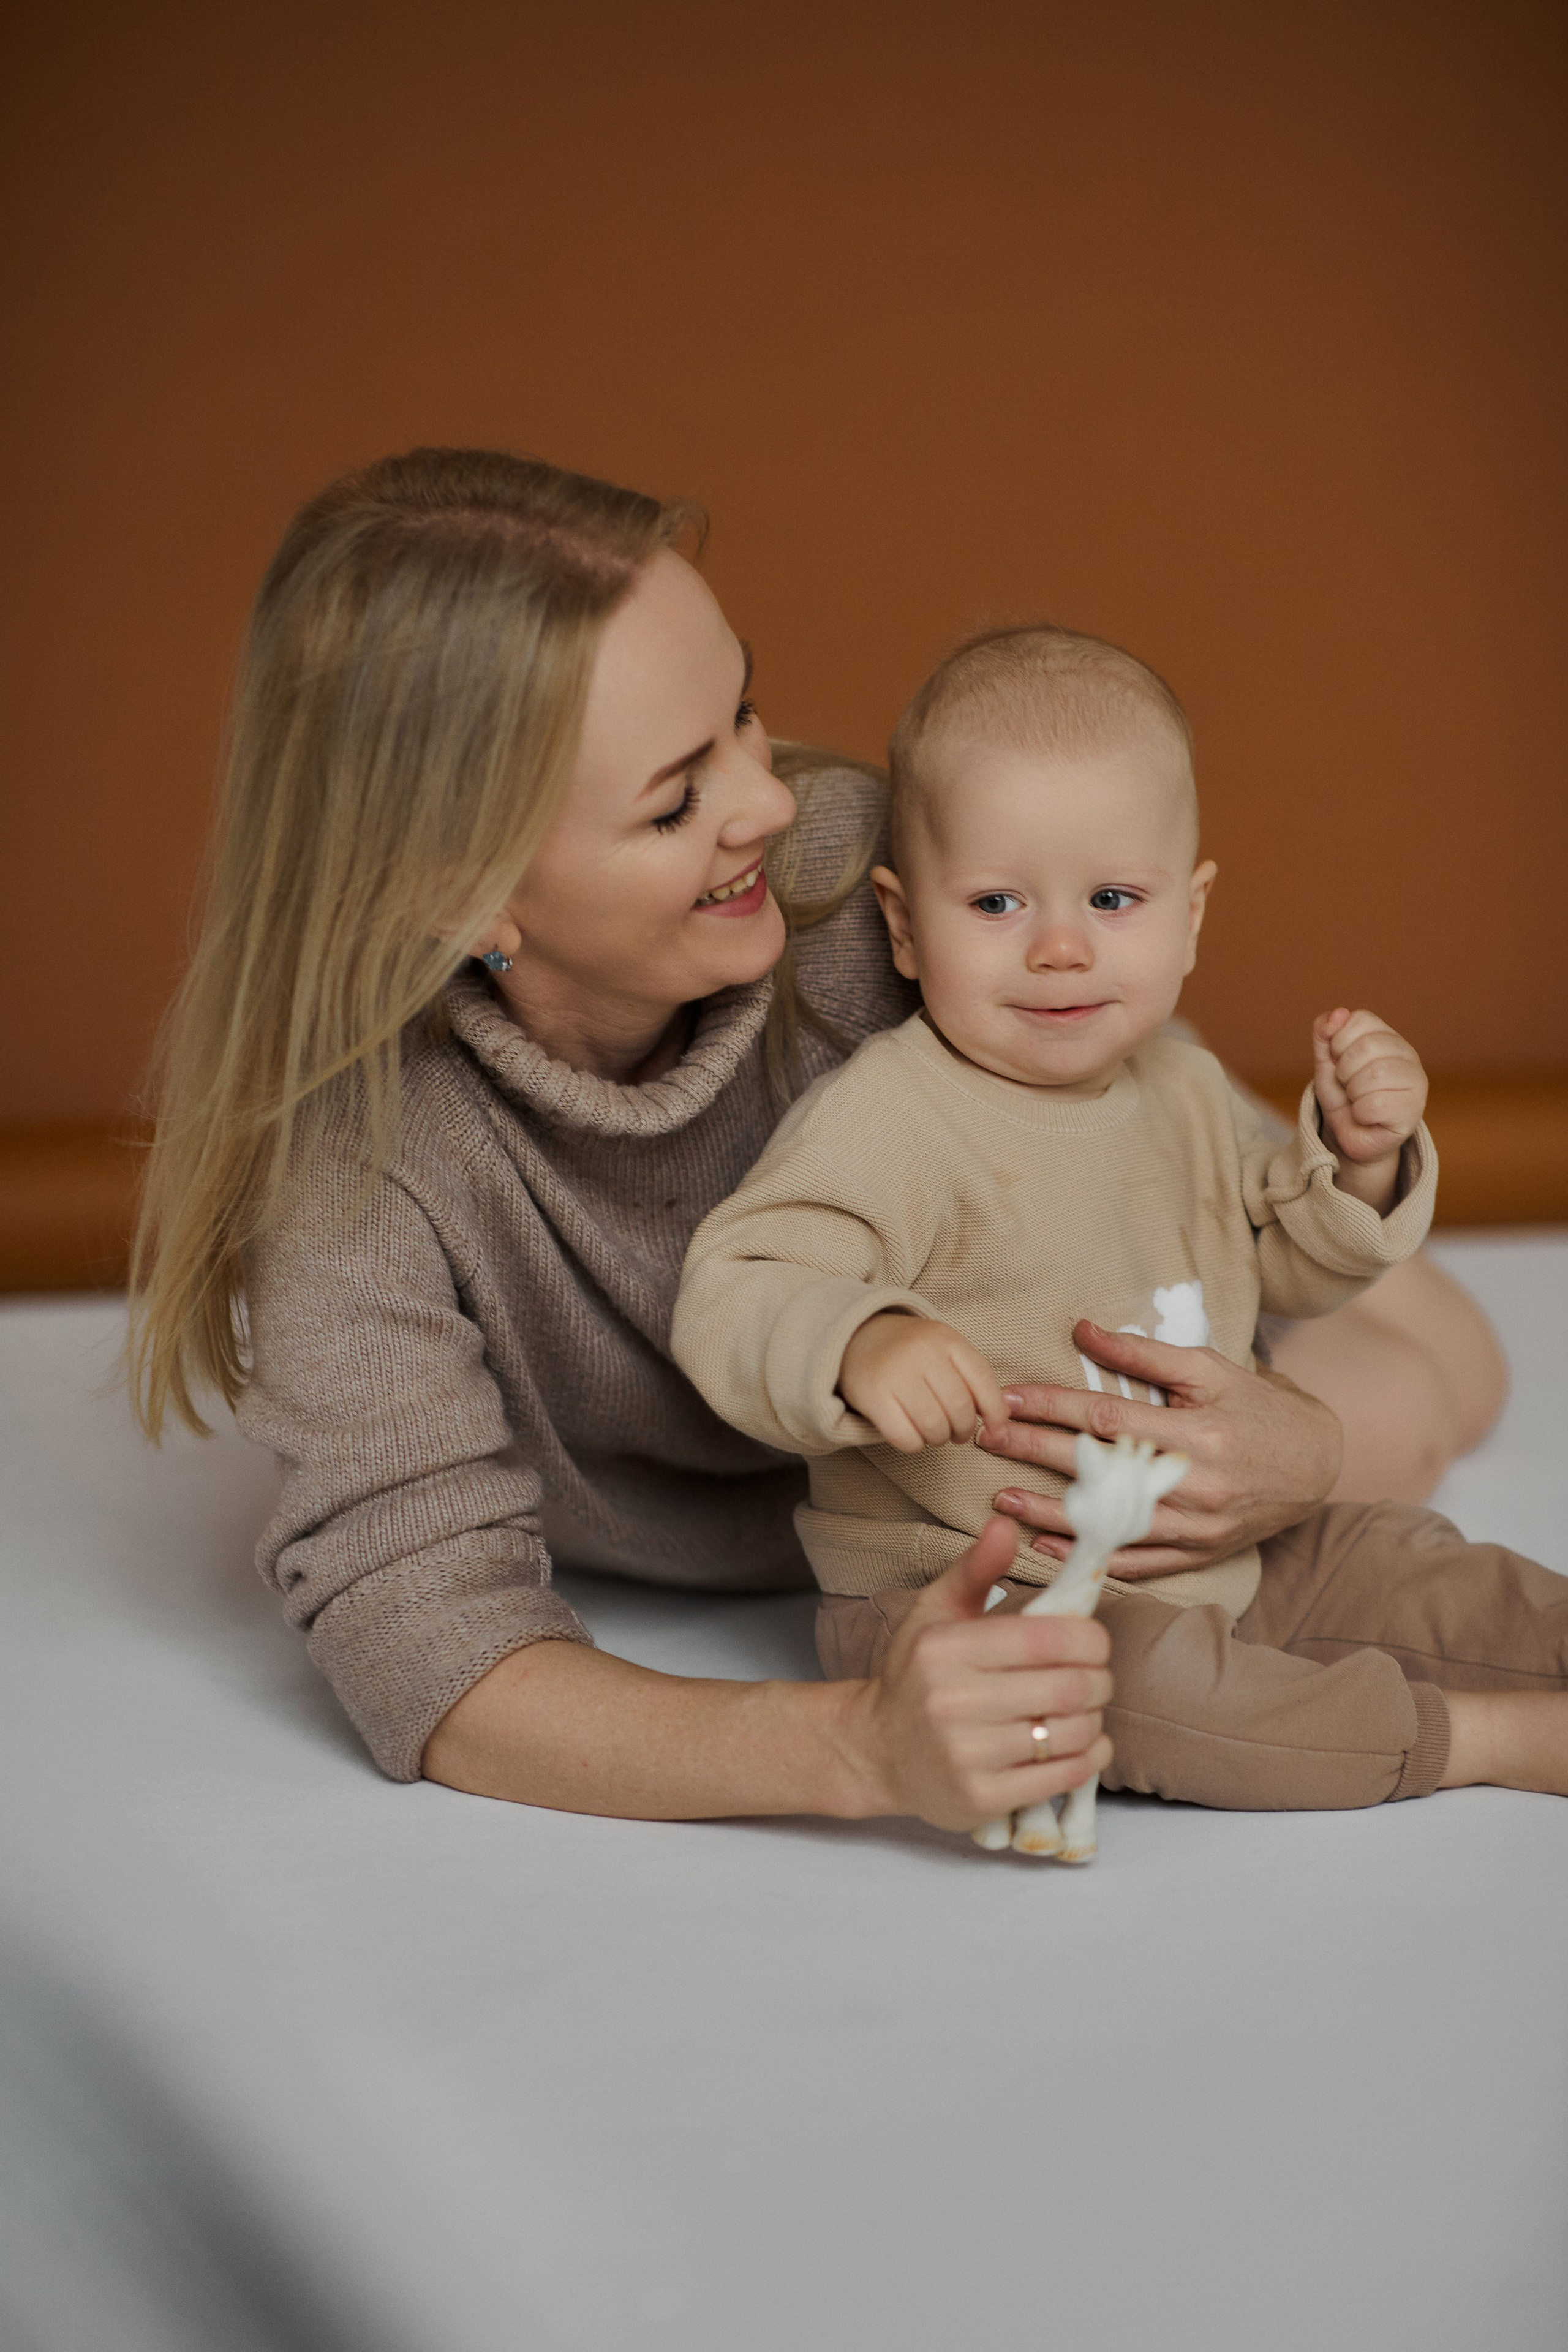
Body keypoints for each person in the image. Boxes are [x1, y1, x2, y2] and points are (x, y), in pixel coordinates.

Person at [127, 448, 1513, 1831]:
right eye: (675, 799)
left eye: (745, 712)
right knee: (1370, 1449)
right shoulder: (354, 1173)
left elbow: (1134, 1140)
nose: (771, 802)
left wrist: (1297, 1436)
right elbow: (428, 1650)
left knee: (1422, 1398)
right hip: (893, 1526)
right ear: (460, 894)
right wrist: (854, 1747)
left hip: (1105, 1274)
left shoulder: (845, 890)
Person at [673, 624, 1568, 1810]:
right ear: (901, 925)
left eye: (1109, 897)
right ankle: (1486, 1740)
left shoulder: (1184, 1094)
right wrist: (856, 1339)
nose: (1056, 947)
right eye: (993, 902)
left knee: (1425, 1572)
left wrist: (1355, 1167)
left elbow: (1285, 1277)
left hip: (1214, 1544)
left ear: (1189, 916)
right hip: (980, 1589)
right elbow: (742, 1281)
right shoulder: (887, 1119)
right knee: (1144, 1702)